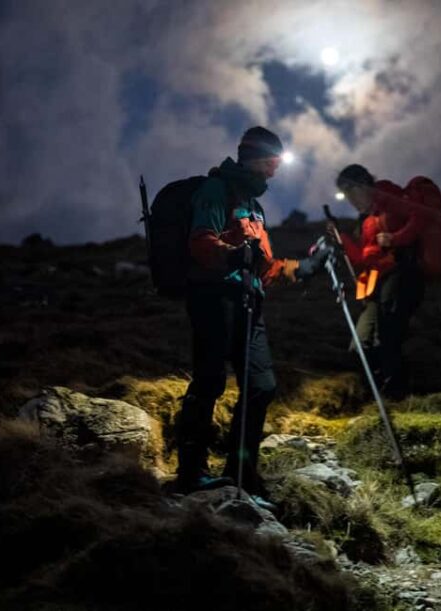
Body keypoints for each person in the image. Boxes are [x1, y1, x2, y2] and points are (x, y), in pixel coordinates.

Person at [176, 127, 330, 506]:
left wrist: (305, 267)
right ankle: (191, 473)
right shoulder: (217, 191)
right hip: (215, 299)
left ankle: (241, 471)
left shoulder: (254, 206)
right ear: (253, 159)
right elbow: (200, 242)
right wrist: (231, 254)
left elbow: (264, 268)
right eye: (271, 164)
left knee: (261, 386)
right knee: (210, 381)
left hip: (249, 302)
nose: (274, 173)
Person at [333, 164, 426, 400]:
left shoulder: (388, 194)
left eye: (351, 191)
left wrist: (396, 237)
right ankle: (380, 396)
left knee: (388, 333)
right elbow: (365, 259)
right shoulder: (365, 221)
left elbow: (419, 217)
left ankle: (397, 397)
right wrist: (341, 237)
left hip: (400, 272)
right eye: (346, 195)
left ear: (363, 184)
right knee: (360, 346)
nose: (351, 200)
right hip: (377, 285)